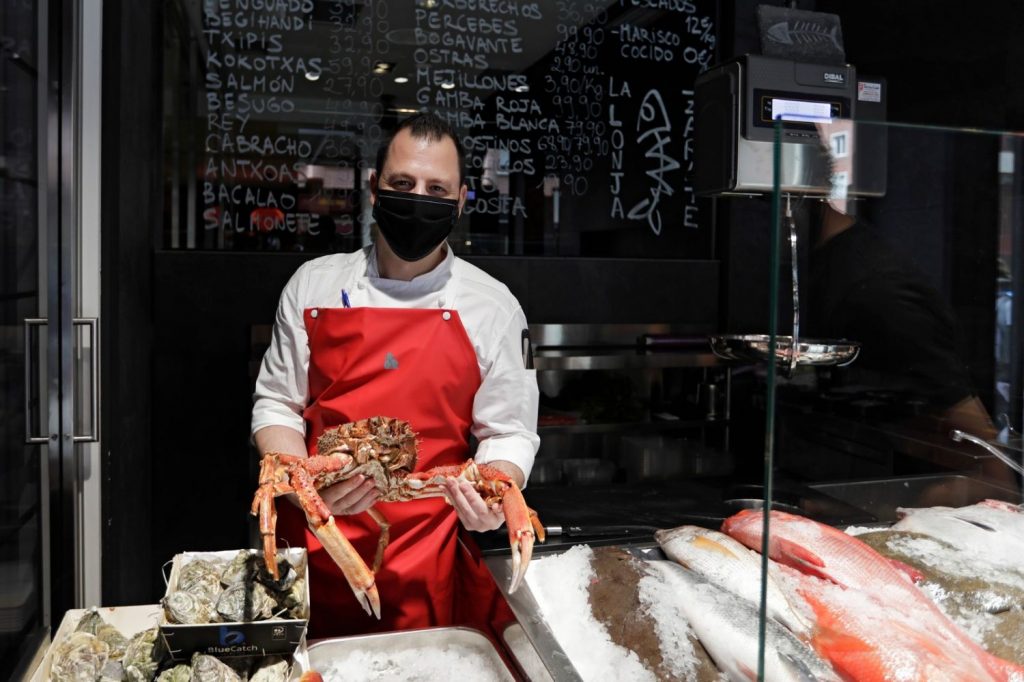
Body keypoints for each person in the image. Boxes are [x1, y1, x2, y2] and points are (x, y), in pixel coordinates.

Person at [251, 112, 540, 638]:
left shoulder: (493, 307)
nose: (418, 197)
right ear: (373, 189)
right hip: (311, 543)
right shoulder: (313, 285)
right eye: (403, 184)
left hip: (424, 555)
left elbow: (509, 433)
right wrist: (300, 488)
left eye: (436, 188)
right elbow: (276, 405)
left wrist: (495, 499)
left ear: (459, 201)